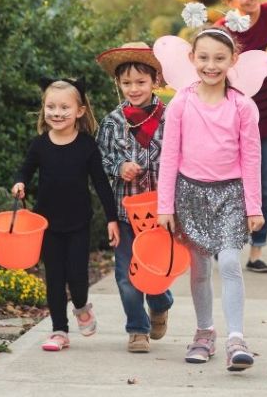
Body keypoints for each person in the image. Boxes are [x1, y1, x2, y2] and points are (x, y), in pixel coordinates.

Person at [156, 26, 264, 371]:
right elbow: (169, 156)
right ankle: (204, 333)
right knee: (200, 270)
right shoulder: (181, 104)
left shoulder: (242, 106)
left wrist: (253, 205)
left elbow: (251, 157)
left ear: (233, 60)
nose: (211, 65)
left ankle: (236, 339)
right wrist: (165, 205)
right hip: (191, 195)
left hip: (231, 195)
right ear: (192, 59)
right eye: (203, 57)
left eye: (219, 58)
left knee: (230, 263)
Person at [12, 78, 120, 352]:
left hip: (79, 223)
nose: (57, 113)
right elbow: (24, 169)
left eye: (64, 108)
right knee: (55, 279)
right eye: (51, 107)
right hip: (47, 224)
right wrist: (19, 183)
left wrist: (112, 218)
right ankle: (59, 330)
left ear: (80, 111)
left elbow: (101, 184)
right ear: (43, 109)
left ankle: (82, 305)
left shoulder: (86, 146)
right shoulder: (40, 145)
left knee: (78, 277)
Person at [95, 42, 174, 354]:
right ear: (118, 84)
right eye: (126, 83)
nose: (134, 88)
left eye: (141, 82)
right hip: (126, 214)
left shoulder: (170, 118)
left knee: (154, 270)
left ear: (155, 80)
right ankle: (137, 329)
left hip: (159, 215)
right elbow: (99, 160)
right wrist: (119, 166)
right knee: (127, 274)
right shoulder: (112, 122)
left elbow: (179, 159)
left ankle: (160, 302)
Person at [214, 0, 267, 273]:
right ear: (230, 1)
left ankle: (257, 251)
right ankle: (227, 243)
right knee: (233, 189)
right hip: (236, 124)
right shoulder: (224, 31)